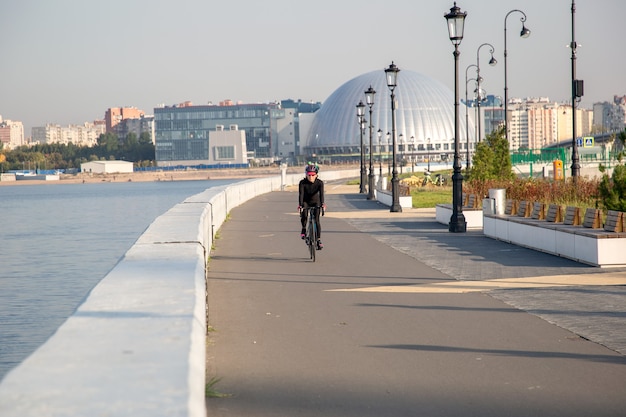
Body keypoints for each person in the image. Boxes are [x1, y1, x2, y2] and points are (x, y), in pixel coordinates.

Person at [298, 162, 326, 250]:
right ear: (306, 175)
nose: (311, 177)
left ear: (316, 175)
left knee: (317, 220)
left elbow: (321, 195)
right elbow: (301, 195)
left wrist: (322, 204)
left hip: (315, 202)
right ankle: (303, 229)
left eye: (313, 175)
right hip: (306, 201)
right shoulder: (302, 183)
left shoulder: (320, 183)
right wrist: (300, 205)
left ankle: (318, 240)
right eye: (309, 175)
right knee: (305, 215)